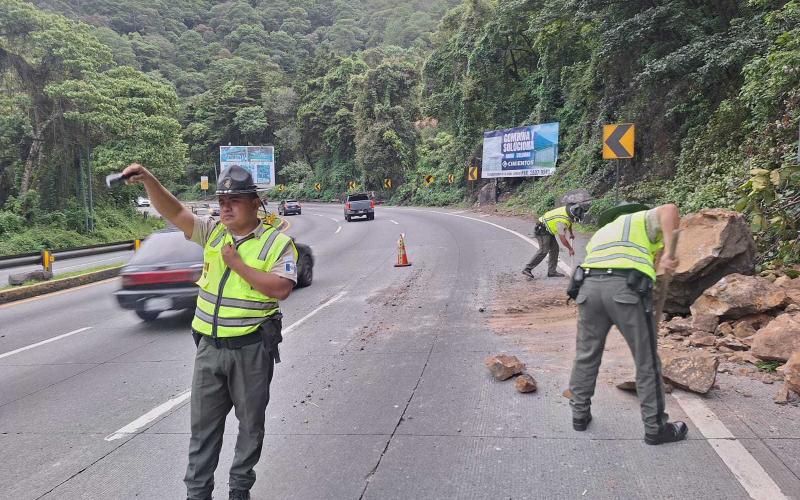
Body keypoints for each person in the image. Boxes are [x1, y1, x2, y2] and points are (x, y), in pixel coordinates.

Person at [122, 163, 298, 500]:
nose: (226, 207)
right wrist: (149, 179)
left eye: (234, 200)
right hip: (209, 351)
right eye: (221, 200)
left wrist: (238, 265)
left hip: (250, 351)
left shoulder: (277, 243)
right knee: (202, 432)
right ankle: (197, 494)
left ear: (254, 202)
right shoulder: (214, 233)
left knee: (250, 427)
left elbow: (280, 289)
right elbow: (174, 211)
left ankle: (239, 490)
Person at [568, 202, 688, 445]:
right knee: (646, 360)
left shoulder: (602, 234)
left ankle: (579, 416)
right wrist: (668, 253)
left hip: (588, 289)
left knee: (586, 355)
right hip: (624, 290)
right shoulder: (637, 219)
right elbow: (669, 210)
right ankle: (655, 428)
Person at [522, 203, 586, 279]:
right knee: (543, 250)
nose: (575, 221)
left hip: (548, 230)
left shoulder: (568, 211)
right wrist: (570, 249)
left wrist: (571, 233)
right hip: (542, 229)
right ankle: (527, 269)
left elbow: (569, 223)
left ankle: (551, 272)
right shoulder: (562, 221)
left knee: (555, 249)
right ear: (573, 216)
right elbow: (562, 238)